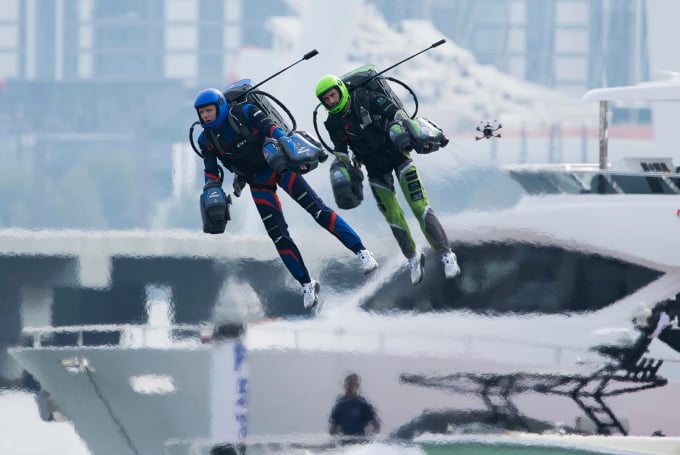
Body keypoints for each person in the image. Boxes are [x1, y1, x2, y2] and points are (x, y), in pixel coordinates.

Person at [193, 87, 378, 310]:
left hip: (278, 166)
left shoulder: (245, 112)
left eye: (208, 111)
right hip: (256, 181)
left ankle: (362, 252)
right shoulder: (206, 139)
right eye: (201, 112)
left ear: (220, 107)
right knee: (278, 236)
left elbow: (272, 128)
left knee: (318, 211)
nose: (205, 116)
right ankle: (307, 284)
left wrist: (292, 145)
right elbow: (211, 170)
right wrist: (211, 188)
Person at [315, 74, 460, 285]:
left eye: (333, 95)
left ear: (341, 90)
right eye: (326, 99)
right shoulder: (332, 123)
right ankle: (413, 257)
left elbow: (397, 113)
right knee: (392, 216)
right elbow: (340, 151)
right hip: (374, 169)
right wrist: (345, 167)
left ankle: (447, 255)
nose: (331, 101)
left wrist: (412, 131)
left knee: (419, 206)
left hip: (398, 156)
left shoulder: (366, 98)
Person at [329, 373, 380, 441]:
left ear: (357, 386)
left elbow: (376, 425)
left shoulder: (363, 404)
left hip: (359, 443)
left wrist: (369, 440)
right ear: (345, 386)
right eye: (348, 384)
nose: (350, 387)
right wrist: (335, 442)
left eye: (352, 384)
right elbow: (333, 429)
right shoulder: (339, 405)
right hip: (343, 443)